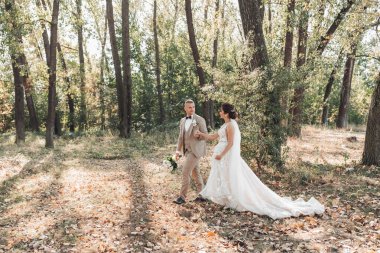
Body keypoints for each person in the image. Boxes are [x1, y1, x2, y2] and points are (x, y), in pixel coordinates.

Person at [194, 103, 324, 219]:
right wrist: (201, 135)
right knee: (225, 177)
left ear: (226, 113)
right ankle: (228, 198)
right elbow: (213, 137)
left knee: (231, 176)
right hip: (222, 157)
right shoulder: (225, 124)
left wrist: (221, 155)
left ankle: (236, 199)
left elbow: (231, 143)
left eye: (221, 110)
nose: (219, 112)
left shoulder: (231, 126)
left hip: (225, 156)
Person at [173, 99, 208, 204]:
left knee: (185, 172)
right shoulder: (182, 121)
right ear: (185, 108)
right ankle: (202, 195)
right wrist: (178, 151)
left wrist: (199, 135)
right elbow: (180, 137)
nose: (192, 109)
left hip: (196, 151)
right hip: (187, 151)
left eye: (193, 107)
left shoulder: (200, 120)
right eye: (189, 107)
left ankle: (182, 197)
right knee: (196, 173)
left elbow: (206, 135)